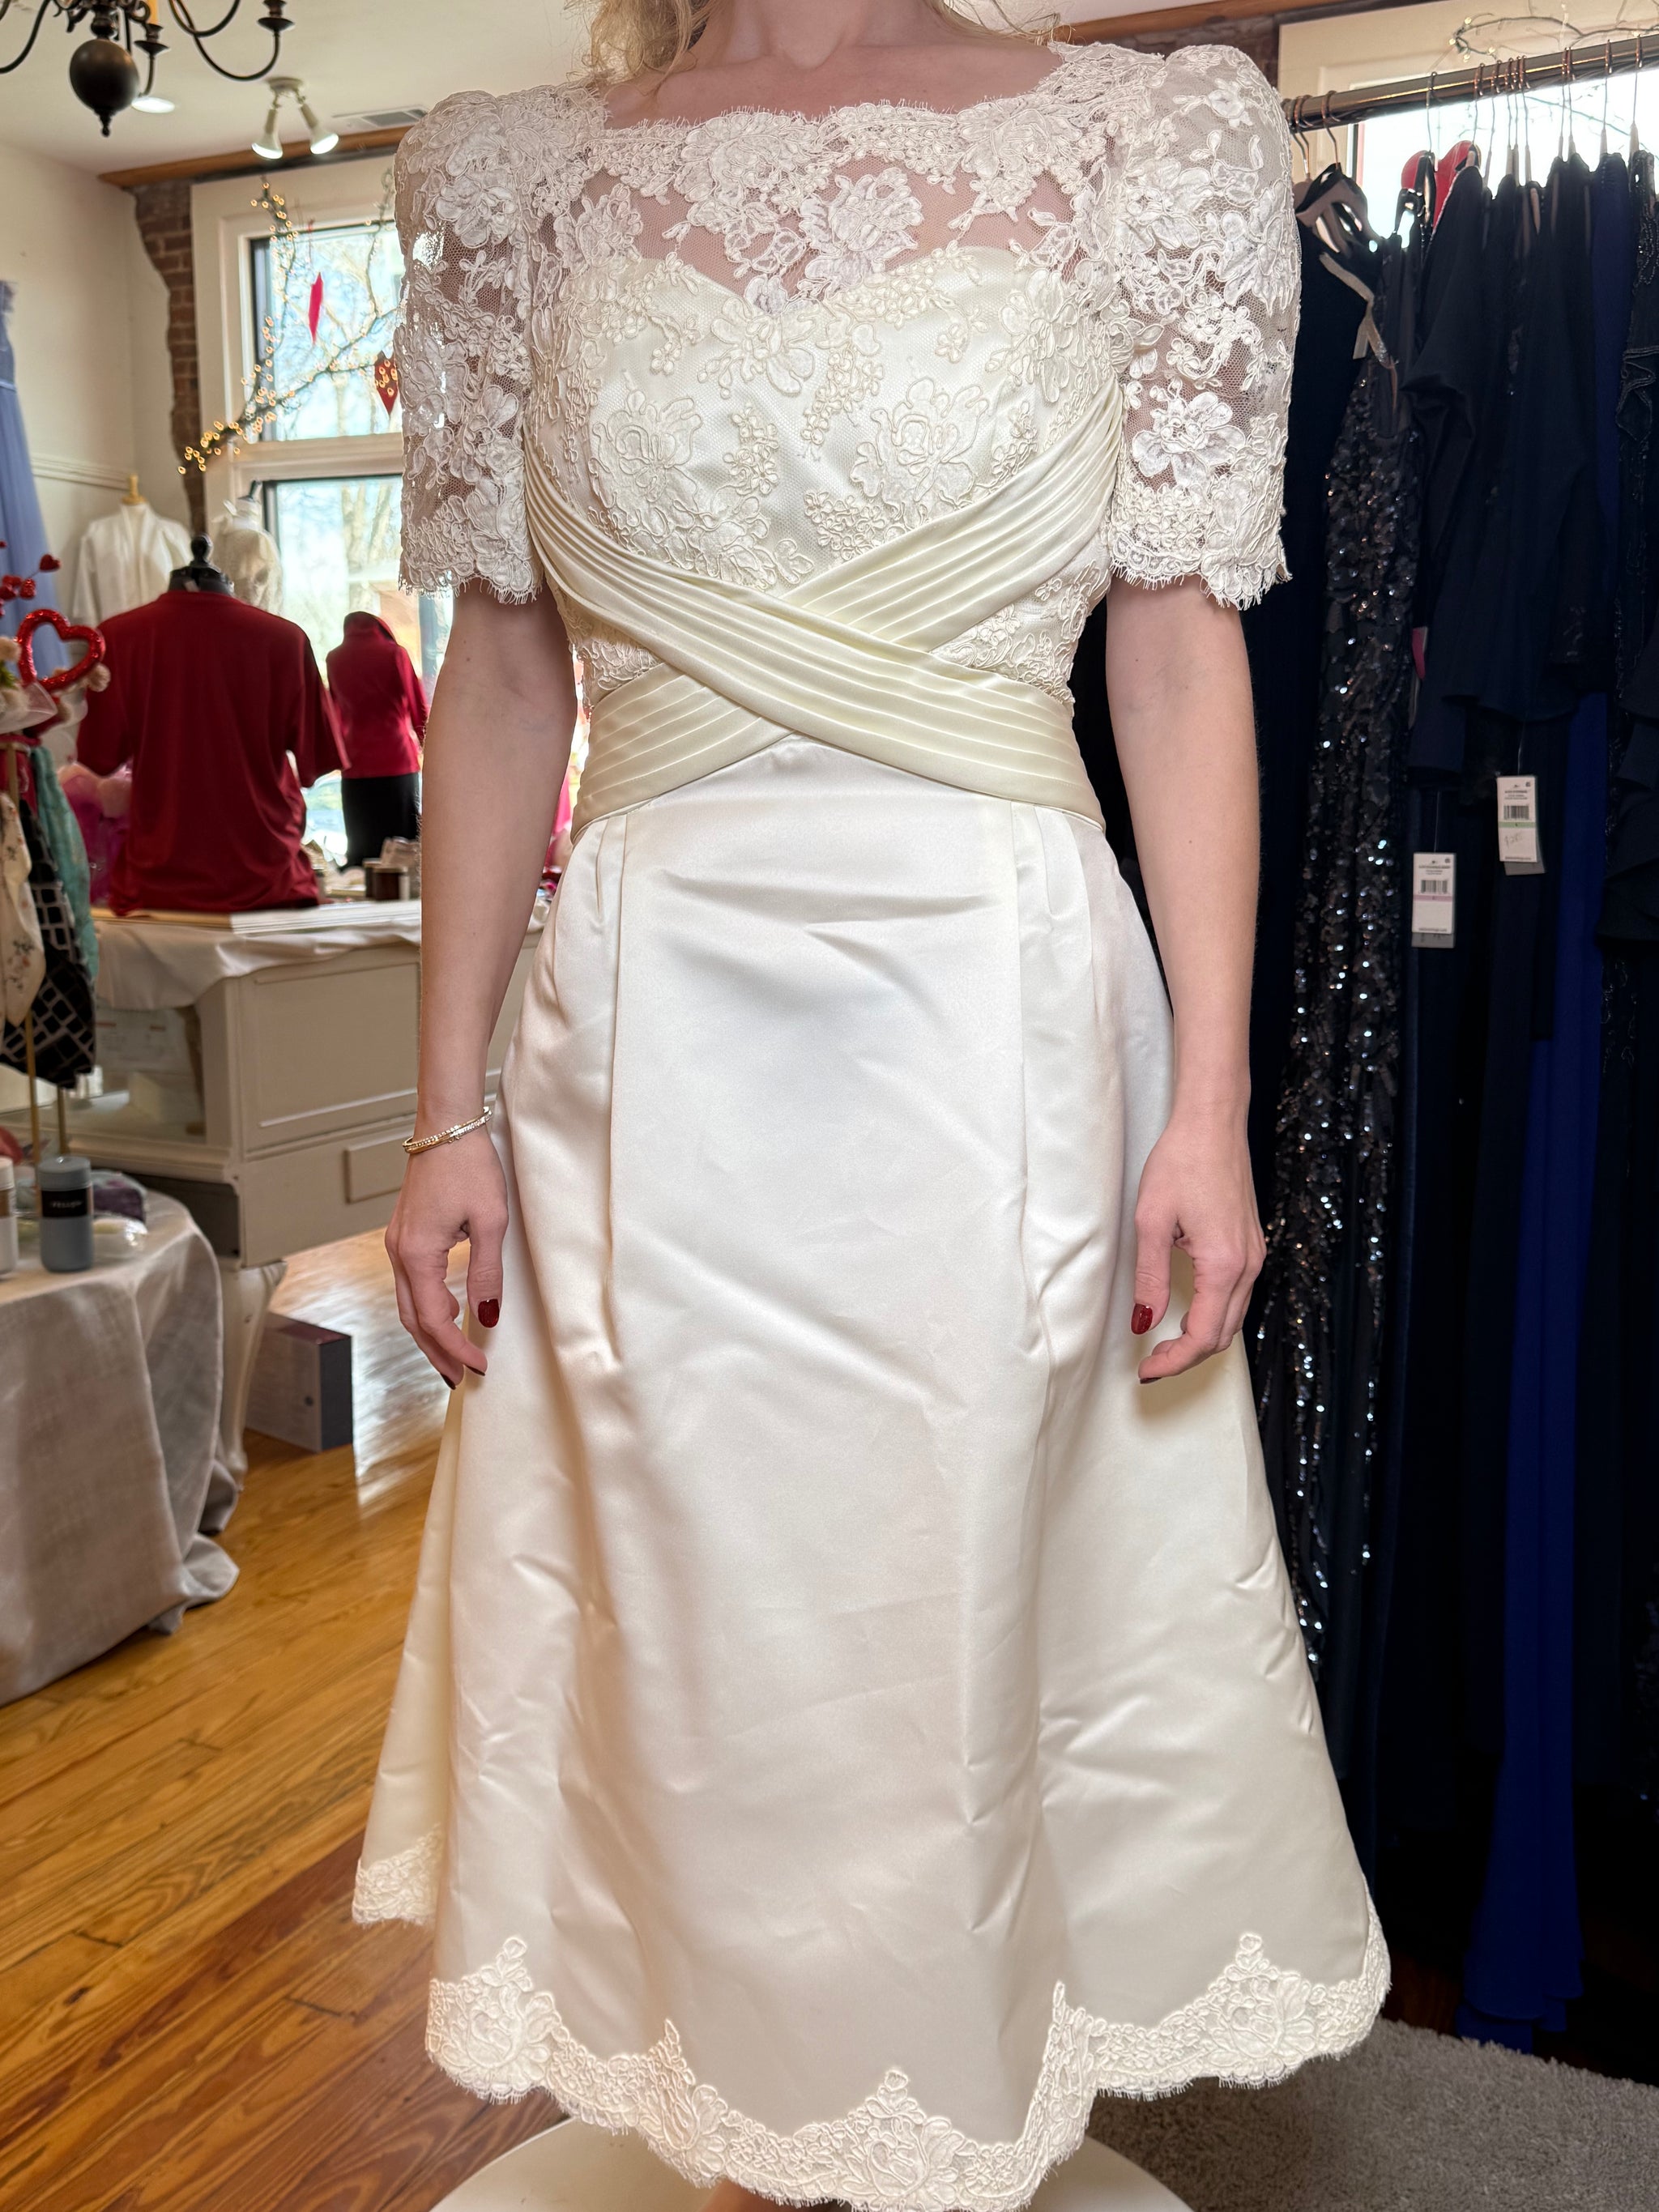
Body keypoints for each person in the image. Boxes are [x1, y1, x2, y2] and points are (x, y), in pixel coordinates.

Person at [356, 3, 1388, 2208]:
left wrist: (1209, 1101)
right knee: (704, 1655)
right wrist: (442, 1113)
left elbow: (1175, 646)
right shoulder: (511, 180)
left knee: (963, 1632)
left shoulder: (1148, 142)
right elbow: (503, 675)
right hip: (654, 1052)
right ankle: (755, 2140)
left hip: (993, 1027)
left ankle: (946, 2121)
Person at [326, 610, 428, 867]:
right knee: (404, 851)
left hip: (355, 766)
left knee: (362, 851)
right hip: (397, 762)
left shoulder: (334, 658)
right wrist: (429, 747)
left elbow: (334, 715)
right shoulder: (396, 654)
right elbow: (418, 707)